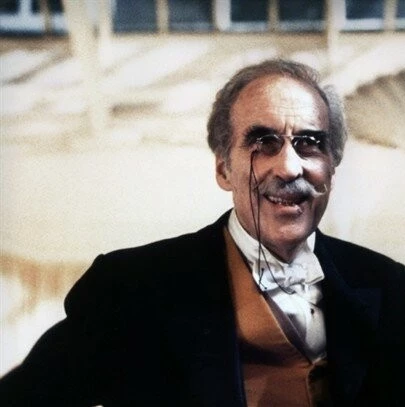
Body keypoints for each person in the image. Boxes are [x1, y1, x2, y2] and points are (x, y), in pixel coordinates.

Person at [0, 59, 404, 407]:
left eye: (309, 143)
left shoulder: (392, 287)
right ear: (223, 169)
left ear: (331, 167)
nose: (288, 167)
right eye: (263, 142)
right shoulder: (130, 288)